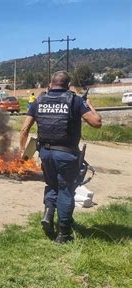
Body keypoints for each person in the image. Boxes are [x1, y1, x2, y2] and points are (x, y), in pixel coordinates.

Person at [19, 71, 102, 243]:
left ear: (51, 83)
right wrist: (89, 104)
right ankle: (64, 234)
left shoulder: (38, 101)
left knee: (51, 185)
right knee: (65, 190)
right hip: (66, 154)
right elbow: (96, 123)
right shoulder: (75, 101)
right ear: (68, 84)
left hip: (45, 153)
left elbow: (24, 129)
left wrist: (23, 151)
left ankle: (48, 215)